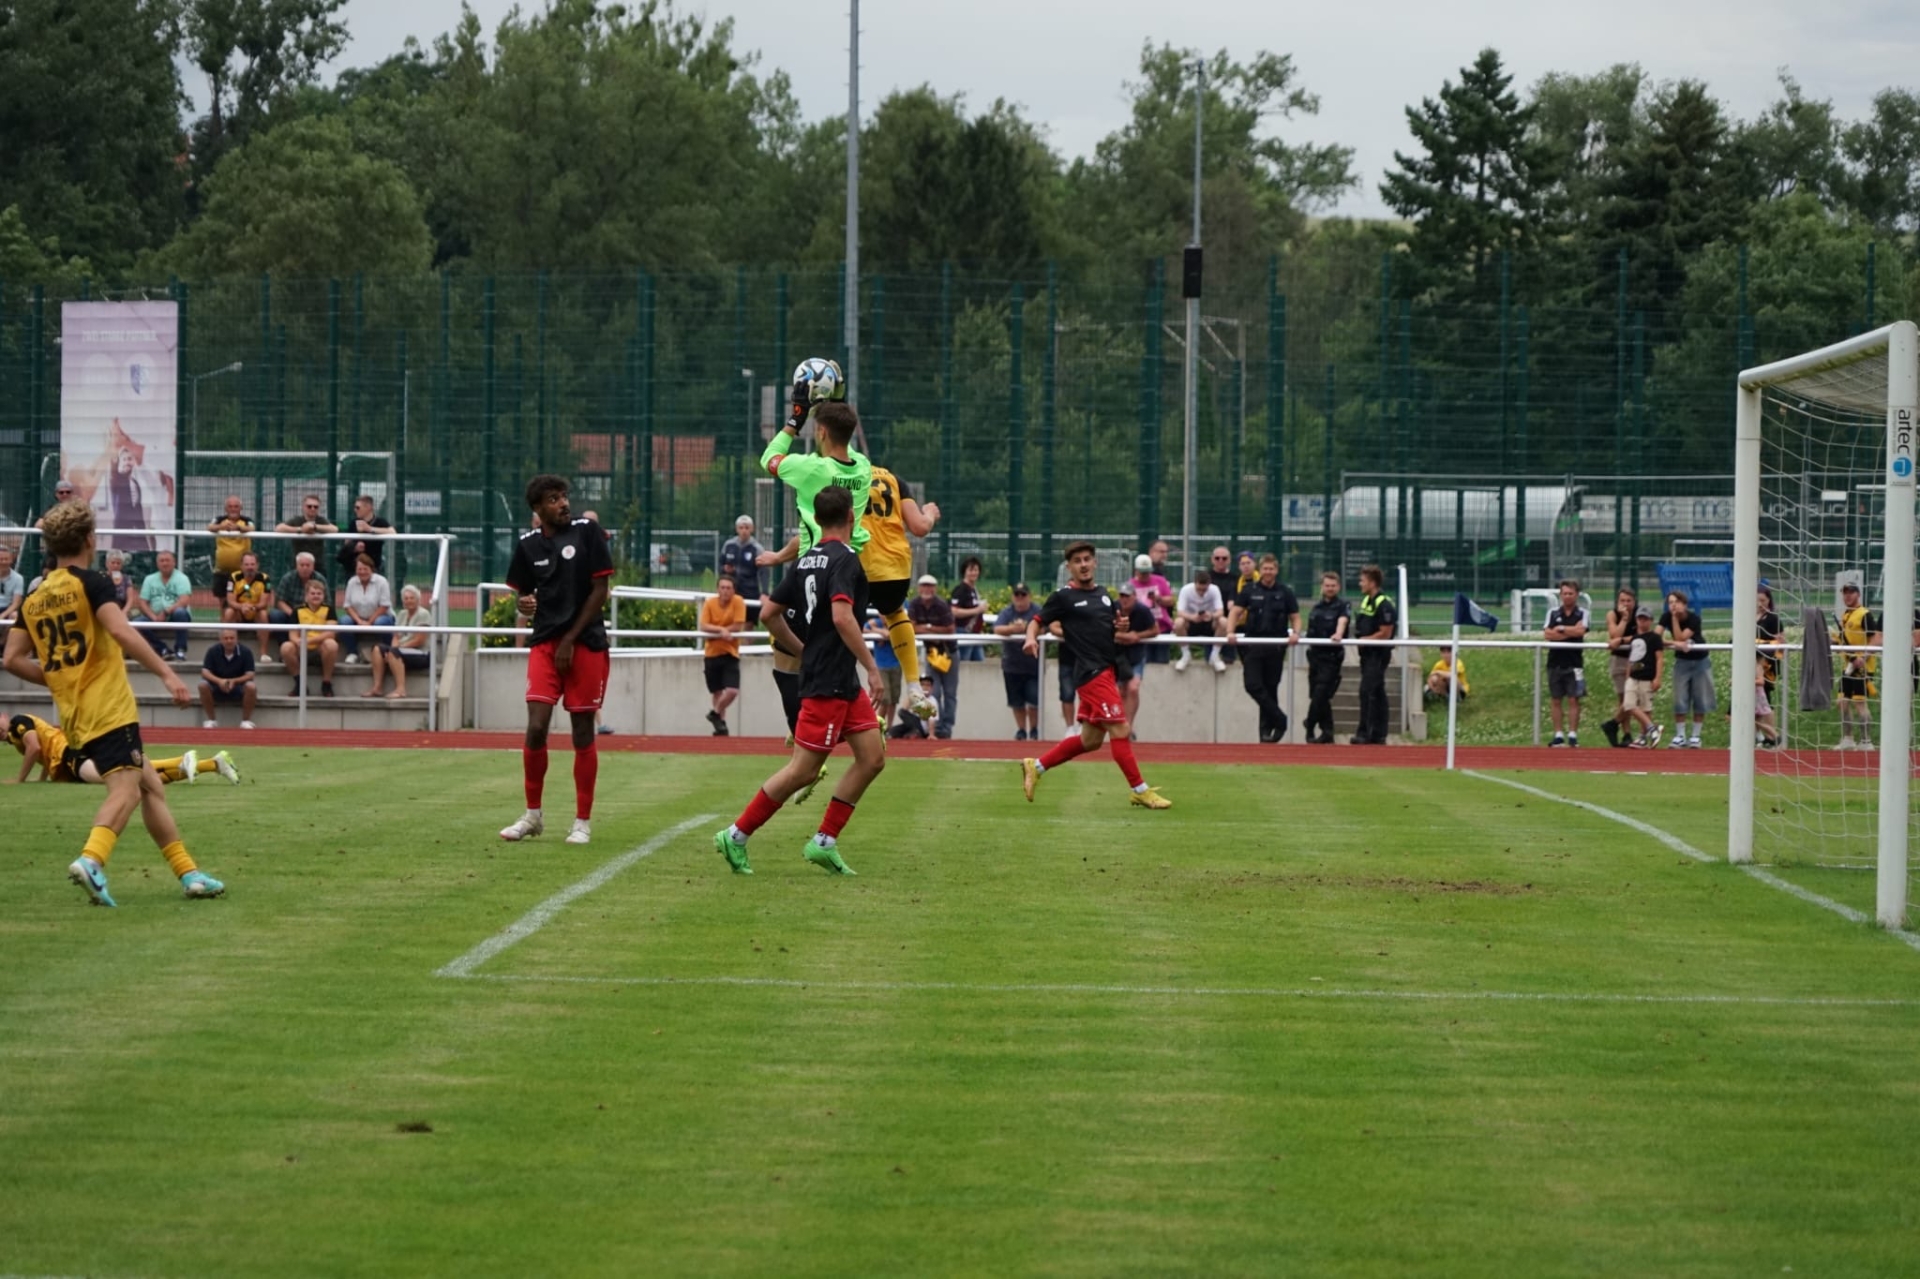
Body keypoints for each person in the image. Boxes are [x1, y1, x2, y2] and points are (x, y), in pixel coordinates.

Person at [1, 501, 224, 904]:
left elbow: (12, 659)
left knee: (150, 786)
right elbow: (120, 631)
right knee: (126, 791)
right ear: (90, 539)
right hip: (109, 708)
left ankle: (188, 874)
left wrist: (58, 679)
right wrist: (167, 674)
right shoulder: (94, 582)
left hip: (73, 715)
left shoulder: (34, 598)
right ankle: (91, 860)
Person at [713, 485, 886, 877]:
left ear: (818, 520)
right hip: (828, 682)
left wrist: (804, 650)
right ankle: (735, 835)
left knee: (872, 757)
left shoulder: (807, 560)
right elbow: (842, 617)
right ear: (851, 518)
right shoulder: (846, 560)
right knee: (803, 771)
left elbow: (769, 614)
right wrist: (872, 667)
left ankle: (824, 841)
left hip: (840, 680)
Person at [498, 475, 614, 846]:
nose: (563, 503)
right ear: (537, 509)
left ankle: (582, 822)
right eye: (553, 499)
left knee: (582, 731)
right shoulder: (528, 545)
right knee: (536, 727)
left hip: (585, 643)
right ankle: (533, 815)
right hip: (546, 645)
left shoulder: (587, 532)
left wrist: (569, 639)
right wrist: (524, 603)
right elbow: (524, 598)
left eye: (564, 496)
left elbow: (600, 591)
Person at [1019, 541, 1171, 810]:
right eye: (1077, 561)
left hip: (1106, 670)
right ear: (1069, 567)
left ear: (1095, 562)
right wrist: (1030, 638)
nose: (1084, 565)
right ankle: (1140, 790)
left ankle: (1037, 766)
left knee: (1090, 741)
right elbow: (1037, 621)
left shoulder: (1103, 595)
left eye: (1087, 559)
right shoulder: (1063, 596)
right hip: (1091, 673)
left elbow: (1110, 627)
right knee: (1121, 729)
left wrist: (1120, 625)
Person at [8, 713, 238, 787]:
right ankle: (213, 764)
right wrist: (43, 778)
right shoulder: (13, 736)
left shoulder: (18, 722)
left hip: (72, 754)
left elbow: (35, 748)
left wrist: (20, 780)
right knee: (140, 781)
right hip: (69, 757)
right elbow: (43, 750)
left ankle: (182, 759)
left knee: (122, 777)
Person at [1228, 554, 1300, 743]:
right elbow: (1235, 612)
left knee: (1270, 688)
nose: (1268, 572)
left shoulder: (1285, 592)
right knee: (1252, 685)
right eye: (1265, 569)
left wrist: (1296, 633)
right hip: (1254, 645)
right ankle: (1280, 720)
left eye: (1271, 569)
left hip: (1276, 647)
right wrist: (1230, 632)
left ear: (1276, 570)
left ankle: (1266, 732)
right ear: (1260, 570)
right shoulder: (1249, 590)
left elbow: (1295, 616)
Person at [1831, 579, 1881, 750]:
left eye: (1851, 592)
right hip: (1849, 666)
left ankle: (1866, 741)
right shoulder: (1846, 615)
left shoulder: (1864, 614)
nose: (1848, 596)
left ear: (1858, 594)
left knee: (1860, 703)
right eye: (1845, 593)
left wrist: (1864, 657)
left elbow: (1875, 639)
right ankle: (1848, 738)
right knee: (1842, 702)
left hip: (1862, 667)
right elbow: (1843, 640)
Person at [1350, 564, 1397, 745]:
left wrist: (1365, 639)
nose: (1360, 584)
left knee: (1367, 690)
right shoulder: (1366, 601)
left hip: (1378, 655)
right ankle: (1378, 734)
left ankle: (1365, 733)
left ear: (1372, 583)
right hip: (1367, 654)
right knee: (1377, 691)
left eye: (1362, 581)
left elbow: (1385, 633)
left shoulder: (1384, 604)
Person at [1660, 589, 1712, 749]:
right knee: (1680, 697)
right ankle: (1680, 735)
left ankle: (1695, 736)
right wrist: (1673, 644)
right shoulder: (1665, 617)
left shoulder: (1694, 619)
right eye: (1670, 602)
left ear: (1684, 604)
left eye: (1676, 602)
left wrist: (1675, 621)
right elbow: (1655, 637)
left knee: (1700, 697)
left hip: (1700, 660)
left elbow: (1681, 637)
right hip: (1682, 661)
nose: (1673, 605)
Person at [1302, 571, 1350, 745]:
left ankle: (1310, 724)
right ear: (1322, 587)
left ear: (1338, 587)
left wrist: (1338, 634)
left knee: (1321, 692)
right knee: (1317, 695)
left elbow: (1342, 621)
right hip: (1315, 655)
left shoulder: (1343, 605)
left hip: (1331, 657)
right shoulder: (1316, 607)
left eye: (1333, 586)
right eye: (1327, 586)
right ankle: (1327, 731)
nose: (1330, 589)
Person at [909, 574, 959, 738]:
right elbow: (911, 628)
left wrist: (926, 628)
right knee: (933, 691)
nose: (926, 589)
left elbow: (950, 628)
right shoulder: (915, 604)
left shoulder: (941, 605)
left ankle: (947, 728)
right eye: (923, 585)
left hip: (948, 653)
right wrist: (933, 629)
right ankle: (935, 728)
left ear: (934, 588)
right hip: (931, 653)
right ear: (919, 588)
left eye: (930, 586)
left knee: (950, 693)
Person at [700, 571, 748, 735]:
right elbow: (704, 626)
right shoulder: (710, 603)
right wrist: (722, 631)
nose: (725, 591)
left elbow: (738, 625)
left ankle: (715, 713)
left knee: (732, 690)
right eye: (722, 587)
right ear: (717, 589)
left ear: (734, 590)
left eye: (728, 588)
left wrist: (719, 632)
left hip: (730, 653)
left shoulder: (738, 602)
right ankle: (720, 726)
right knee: (717, 691)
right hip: (712, 653)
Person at [994, 582, 1043, 740]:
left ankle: (1034, 729)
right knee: (1016, 702)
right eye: (1017, 595)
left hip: (1033, 664)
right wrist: (1013, 629)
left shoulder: (1037, 610)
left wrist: (1027, 629)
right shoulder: (1007, 612)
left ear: (1029, 596)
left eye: (1023, 595)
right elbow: (997, 628)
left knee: (1034, 700)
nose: (1020, 598)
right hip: (1012, 665)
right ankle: (1021, 730)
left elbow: (1044, 627)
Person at [1544, 579, 1589, 747]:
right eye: (1564, 593)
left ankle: (1572, 735)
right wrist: (1571, 632)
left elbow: (1581, 631)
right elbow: (1548, 634)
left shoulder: (1583, 613)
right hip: (1554, 662)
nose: (1567, 596)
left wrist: (1561, 629)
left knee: (1573, 699)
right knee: (1556, 699)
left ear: (1577, 595)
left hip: (1574, 663)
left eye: (1571, 593)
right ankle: (1558, 735)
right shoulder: (1552, 613)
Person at [370, 584, 434, 699]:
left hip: (421, 652)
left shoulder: (423, 614)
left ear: (418, 599)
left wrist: (398, 649)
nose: (409, 601)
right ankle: (377, 687)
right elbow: (396, 636)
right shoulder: (401, 614)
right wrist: (392, 649)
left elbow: (419, 640)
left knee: (394, 652)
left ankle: (401, 690)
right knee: (377, 649)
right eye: (406, 598)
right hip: (402, 650)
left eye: (412, 598)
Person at [279, 578, 339, 697]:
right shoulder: (297, 610)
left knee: (331, 644)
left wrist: (309, 640)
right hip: (301, 648)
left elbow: (330, 633)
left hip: (320, 648)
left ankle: (326, 683)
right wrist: (298, 641)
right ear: (306, 596)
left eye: (319, 594)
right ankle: (300, 684)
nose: (316, 596)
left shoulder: (329, 610)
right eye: (313, 593)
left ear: (323, 596)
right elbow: (292, 635)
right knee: (286, 647)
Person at [1113, 580, 1158, 731]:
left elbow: (1155, 630)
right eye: (1122, 596)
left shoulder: (1142, 610)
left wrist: (1137, 636)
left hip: (1136, 654)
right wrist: (1125, 637)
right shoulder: (1112, 608)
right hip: (1117, 654)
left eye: (1127, 596)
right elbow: (1102, 629)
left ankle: (1128, 726)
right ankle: (1121, 725)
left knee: (1133, 688)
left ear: (1134, 596)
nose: (1124, 599)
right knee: (1120, 691)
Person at [133, 548, 194, 659]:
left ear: (174, 562)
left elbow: (184, 601)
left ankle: (180, 650)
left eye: (167, 560)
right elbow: (142, 602)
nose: (165, 563)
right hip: (154, 615)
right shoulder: (149, 579)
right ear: (157, 564)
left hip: (174, 615)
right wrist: (153, 616)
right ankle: (162, 649)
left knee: (180, 612)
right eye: (162, 561)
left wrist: (166, 612)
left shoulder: (182, 578)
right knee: (137, 623)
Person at [339, 554, 396, 664]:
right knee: (343, 621)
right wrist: (359, 621)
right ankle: (352, 653)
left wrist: (369, 622)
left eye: (365, 569)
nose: (362, 572)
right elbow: (347, 606)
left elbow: (384, 606)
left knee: (381, 623)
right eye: (359, 569)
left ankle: (388, 651)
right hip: (358, 618)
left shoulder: (382, 582)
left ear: (371, 569)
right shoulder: (351, 582)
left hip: (381, 616)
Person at [269, 552, 328, 656]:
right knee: (275, 615)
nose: (305, 568)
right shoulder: (288, 578)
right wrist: (294, 614)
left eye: (308, 565)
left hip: (314, 615)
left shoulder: (320, 579)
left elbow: (326, 602)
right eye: (302, 565)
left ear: (313, 566)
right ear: (296, 566)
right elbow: (280, 601)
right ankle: (284, 648)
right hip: (291, 614)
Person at [198, 627, 259, 728]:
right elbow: (205, 672)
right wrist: (219, 681)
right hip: (216, 686)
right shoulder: (213, 651)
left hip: (238, 687)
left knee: (251, 686)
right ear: (221, 639)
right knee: (202, 685)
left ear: (237, 639)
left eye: (232, 638)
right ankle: (211, 720)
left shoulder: (246, 652)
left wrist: (234, 681)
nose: (229, 641)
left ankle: (246, 721)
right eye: (226, 638)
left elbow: (250, 674)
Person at [1623, 605, 1665, 748]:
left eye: (1645, 619)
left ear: (1651, 621)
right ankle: (1652, 728)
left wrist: (1658, 678)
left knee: (1645, 708)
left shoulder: (1655, 638)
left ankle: (1643, 736)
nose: (1642, 621)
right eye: (1640, 619)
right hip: (1633, 677)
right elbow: (1631, 658)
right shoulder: (1635, 638)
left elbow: (1659, 658)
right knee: (1629, 704)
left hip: (1647, 677)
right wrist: (1627, 674)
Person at [1601, 587, 1639, 747]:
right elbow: (1614, 635)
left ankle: (1613, 723)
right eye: (1622, 601)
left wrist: (1623, 640)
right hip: (1619, 660)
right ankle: (1627, 734)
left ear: (1634, 602)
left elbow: (1641, 635)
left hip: (1636, 659)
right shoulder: (1612, 615)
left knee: (1633, 697)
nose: (1626, 604)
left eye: (1629, 601)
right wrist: (1623, 619)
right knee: (1623, 698)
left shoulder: (1640, 614)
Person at [1173, 568, 1229, 673]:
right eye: (1199, 589)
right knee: (1178, 622)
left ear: (1209, 585)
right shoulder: (1186, 590)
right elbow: (1180, 612)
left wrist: (1211, 615)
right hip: (1191, 622)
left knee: (1224, 622)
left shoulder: (1214, 589)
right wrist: (1192, 617)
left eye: (1204, 590)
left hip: (1209, 622)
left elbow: (1220, 611)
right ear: (1195, 583)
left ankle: (1215, 656)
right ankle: (1185, 655)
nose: (1201, 592)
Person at [1131, 553, 1175, 662]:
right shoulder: (1130, 585)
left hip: (1162, 627)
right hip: (1143, 630)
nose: (1145, 575)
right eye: (1142, 573)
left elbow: (1171, 601)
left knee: (1162, 661)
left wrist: (1158, 599)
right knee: (1145, 661)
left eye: (1147, 572)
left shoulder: (1160, 580)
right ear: (1136, 571)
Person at [206, 494, 255, 591]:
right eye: (230, 506)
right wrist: (221, 527)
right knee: (222, 597)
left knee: (243, 596)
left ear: (241, 508)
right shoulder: (219, 520)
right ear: (226, 508)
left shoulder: (247, 520)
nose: (233, 509)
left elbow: (251, 528)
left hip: (242, 571)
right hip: (221, 570)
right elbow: (209, 527)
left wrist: (238, 528)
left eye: (236, 506)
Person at [335, 494, 392, 577]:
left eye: (358, 508)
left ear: (368, 507)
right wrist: (354, 547)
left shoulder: (380, 522)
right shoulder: (354, 523)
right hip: (354, 568)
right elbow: (346, 543)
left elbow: (392, 532)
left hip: (373, 567)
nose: (355, 510)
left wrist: (370, 529)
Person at [1755, 586, 1784, 749]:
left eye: (1763, 600)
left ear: (1769, 601)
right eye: (1757, 600)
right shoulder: (1748, 616)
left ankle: (1772, 736)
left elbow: (1780, 642)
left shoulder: (1773, 619)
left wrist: (1760, 644)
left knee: (1765, 701)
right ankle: (1760, 736)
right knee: (1755, 703)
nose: (1760, 604)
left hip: (1766, 664)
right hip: (1750, 663)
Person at [275, 493, 338, 565]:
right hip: (298, 563)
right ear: (303, 507)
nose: (312, 509)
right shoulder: (297, 520)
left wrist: (314, 527)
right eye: (309, 506)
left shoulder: (321, 520)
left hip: (317, 563)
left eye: (316, 507)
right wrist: (300, 529)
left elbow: (334, 529)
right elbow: (279, 528)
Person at [865, 612, 902, 727]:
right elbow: (863, 629)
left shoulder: (896, 623)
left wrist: (877, 630)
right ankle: (879, 725)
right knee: (885, 699)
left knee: (893, 699)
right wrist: (879, 631)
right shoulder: (876, 623)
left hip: (896, 664)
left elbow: (891, 634)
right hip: (881, 666)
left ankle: (889, 727)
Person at [224, 551, 272, 633]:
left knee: (263, 614)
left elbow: (263, 603)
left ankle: (264, 642)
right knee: (229, 612)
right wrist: (241, 607)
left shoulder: (265, 579)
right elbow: (230, 601)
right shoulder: (234, 577)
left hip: (256, 611)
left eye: (252, 564)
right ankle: (228, 638)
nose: (250, 567)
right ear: (241, 566)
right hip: (239, 612)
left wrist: (252, 607)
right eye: (246, 564)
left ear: (257, 565)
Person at [719, 515, 764, 602]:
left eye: (747, 528)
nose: (744, 531)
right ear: (737, 529)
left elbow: (763, 571)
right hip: (731, 591)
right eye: (741, 528)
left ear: (752, 529)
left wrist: (764, 592)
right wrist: (724, 569)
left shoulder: (757, 548)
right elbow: (720, 564)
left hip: (750, 591)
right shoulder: (728, 545)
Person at [951, 556, 988, 662]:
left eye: (976, 570)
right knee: (963, 663)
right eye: (971, 570)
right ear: (965, 572)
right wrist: (977, 610)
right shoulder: (960, 590)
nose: (974, 573)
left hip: (975, 633)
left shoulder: (973, 590)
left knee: (980, 664)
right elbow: (954, 611)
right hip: (964, 632)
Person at [0, 545, 22, 622]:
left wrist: (2, 615)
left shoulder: (18, 578)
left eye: (6, 559)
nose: (3, 562)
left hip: (8, 609)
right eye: (1, 559)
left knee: (15, 615)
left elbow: (16, 603)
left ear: (11, 560)